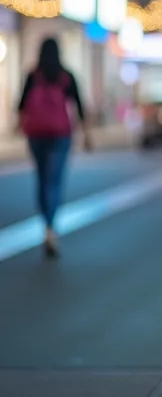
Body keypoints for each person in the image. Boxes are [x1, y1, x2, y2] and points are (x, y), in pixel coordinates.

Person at [17, 37, 91, 257]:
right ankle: (51, 227)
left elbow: (20, 105)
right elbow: (79, 106)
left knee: (41, 179)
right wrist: (87, 134)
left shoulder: (33, 76)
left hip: (37, 135)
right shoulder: (66, 77)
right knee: (55, 181)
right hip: (60, 135)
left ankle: (46, 223)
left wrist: (20, 127)